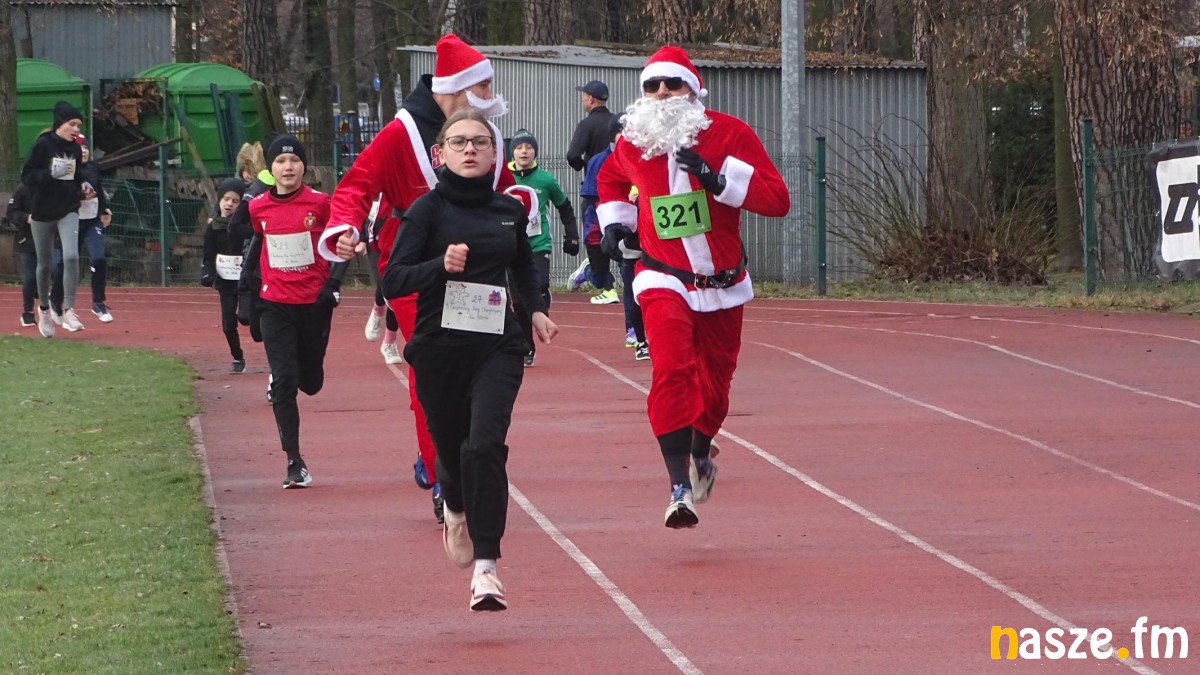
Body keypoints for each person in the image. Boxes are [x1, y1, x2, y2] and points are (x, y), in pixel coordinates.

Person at [322, 33, 526, 524]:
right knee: (431, 372)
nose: (492, 95)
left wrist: (519, 203)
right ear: (457, 88)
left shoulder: (483, 134)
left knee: (480, 371)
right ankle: (442, 478)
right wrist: (345, 227)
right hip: (418, 273)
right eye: (484, 86)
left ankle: (452, 451)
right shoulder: (401, 134)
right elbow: (355, 186)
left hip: (478, 274)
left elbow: (501, 189)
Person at [597, 46, 791, 528]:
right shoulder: (633, 140)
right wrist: (615, 224)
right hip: (662, 275)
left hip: (722, 283)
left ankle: (702, 452)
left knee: (716, 387)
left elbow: (777, 200)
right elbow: (610, 179)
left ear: (693, 89)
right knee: (671, 369)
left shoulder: (729, 133)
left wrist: (716, 180)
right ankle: (677, 487)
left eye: (673, 84)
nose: (662, 93)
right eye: (652, 85)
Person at [380, 108, 559, 611]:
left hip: (497, 345)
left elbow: (522, 265)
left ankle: (487, 568)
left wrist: (535, 309)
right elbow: (393, 280)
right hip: (439, 348)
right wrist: (441, 265)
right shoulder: (426, 211)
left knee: (484, 445)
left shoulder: (509, 209)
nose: (470, 150)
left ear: (494, 152)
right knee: (451, 450)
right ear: (440, 154)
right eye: (459, 142)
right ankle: (454, 506)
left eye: (479, 142)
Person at [249, 134, 348, 488]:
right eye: (280, 161)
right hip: (274, 305)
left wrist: (333, 284)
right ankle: (294, 461)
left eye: (294, 161)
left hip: (313, 305)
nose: (287, 167)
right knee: (284, 381)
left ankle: (302, 373)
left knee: (311, 382)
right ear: (270, 168)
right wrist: (247, 294)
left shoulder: (320, 203)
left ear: (304, 167)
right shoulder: (257, 207)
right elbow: (256, 244)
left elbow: (342, 244)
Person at [507, 128, 579, 365]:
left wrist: (572, 236)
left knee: (538, 286)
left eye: (528, 147)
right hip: (512, 245)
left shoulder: (546, 180)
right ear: (512, 152)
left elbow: (564, 207)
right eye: (519, 147)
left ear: (535, 152)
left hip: (539, 244)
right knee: (518, 301)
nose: (524, 152)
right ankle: (527, 347)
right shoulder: (504, 178)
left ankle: (541, 302)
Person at [21, 100, 88, 336]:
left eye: (79, 125)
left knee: (71, 256)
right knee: (44, 265)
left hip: (68, 208)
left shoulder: (75, 149)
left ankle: (69, 309)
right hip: (42, 211)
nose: (77, 129)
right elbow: (27, 175)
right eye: (73, 124)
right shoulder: (43, 145)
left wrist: (83, 187)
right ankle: (44, 309)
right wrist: (50, 173)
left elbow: (77, 176)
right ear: (60, 123)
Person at [201, 177, 250, 373]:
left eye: (235, 201)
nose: (229, 204)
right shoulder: (212, 228)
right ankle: (237, 356)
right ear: (219, 200)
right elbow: (208, 256)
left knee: (247, 318)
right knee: (228, 325)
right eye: (226, 199)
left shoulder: (246, 227)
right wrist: (207, 273)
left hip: (246, 280)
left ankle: (275, 353)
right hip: (226, 282)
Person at [577, 118, 622, 306]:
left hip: (627, 220)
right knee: (599, 273)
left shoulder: (640, 158)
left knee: (627, 260)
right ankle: (590, 272)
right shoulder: (599, 161)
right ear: (612, 136)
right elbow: (591, 199)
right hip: (598, 216)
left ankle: (617, 292)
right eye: (623, 132)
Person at [76, 136, 114, 322]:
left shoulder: (93, 168)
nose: (84, 151)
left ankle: (98, 302)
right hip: (71, 222)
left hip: (92, 221)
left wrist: (105, 209)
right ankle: (57, 300)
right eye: (80, 148)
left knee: (99, 258)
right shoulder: (67, 170)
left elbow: (98, 189)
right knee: (64, 263)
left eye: (86, 147)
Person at [6, 184, 38, 327]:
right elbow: (11, 211)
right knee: (30, 276)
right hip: (27, 239)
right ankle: (28, 313)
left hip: (50, 239)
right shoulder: (23, 189)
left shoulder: (53, 187)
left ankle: (53, 304)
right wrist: (26, 218)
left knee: (56, 269)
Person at [567, 80, 615, 172]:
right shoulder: (616, 122)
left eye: (583, 96)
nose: (582, 100)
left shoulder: (586, 124)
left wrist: (583, 165)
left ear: (590, 99)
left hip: (595, 176)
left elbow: (572, 156)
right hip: (618, 177)